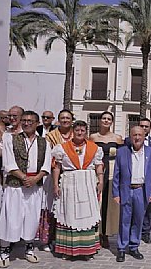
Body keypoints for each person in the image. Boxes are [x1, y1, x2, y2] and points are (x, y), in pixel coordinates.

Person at [0, 111, 51, 268]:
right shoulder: (10, 139)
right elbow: (9, 162)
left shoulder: (44, 142)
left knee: (31, 217)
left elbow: (46, 164)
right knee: (11, 216)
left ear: (37, 123)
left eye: (30, 121)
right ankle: (5, 250)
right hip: (16, 184)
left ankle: (29, 248)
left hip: (34, 185)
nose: (27, 123)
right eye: (24, 120)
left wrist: (36, 178)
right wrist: (24, 177)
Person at [52, 120, 103, 260]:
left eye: (82, 130)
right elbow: (57, 167)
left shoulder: (94, 148)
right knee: (69, 213)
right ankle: (67, 250)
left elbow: (99, 165)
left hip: (87, 182)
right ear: (73, 131)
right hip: (69, 183)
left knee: (87, 213)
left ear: (86, 132)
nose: (79, 133)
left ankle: (87, 250)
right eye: (77, 130)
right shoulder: (62, 148)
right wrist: (55, 185)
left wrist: (101, 181)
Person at [113, 125, 151, 262]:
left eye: (140, 135)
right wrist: (116, 193)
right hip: (126, 190)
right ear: (130, 136)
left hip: (141, 190)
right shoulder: (122, 152)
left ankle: (133, 246)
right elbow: (116, 174)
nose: (137, 137)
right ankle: (121, 248)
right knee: (124, 221)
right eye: (134, 135)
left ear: (144, 136)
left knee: (138, 220)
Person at [40, 109, 74, 251]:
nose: (65, 120)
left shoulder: (76, 134)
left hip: (71, 176)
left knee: (68, 207)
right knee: (51, 206)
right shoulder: (51, 136)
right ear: (58, 120)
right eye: (62, 118)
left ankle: (65, 240)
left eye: (68, 118)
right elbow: (46, 155)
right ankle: (49, 239)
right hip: (54, 173)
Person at [89, 111, 123, 249]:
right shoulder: (93, 137)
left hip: (112, 172)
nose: (106, 121)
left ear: (112, 122)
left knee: (109, 204)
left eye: (109, 119)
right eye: (104, 118)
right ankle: (96, 232)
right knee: (97, 202)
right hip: (97, 171)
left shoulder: (118, 138)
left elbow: (121, 157)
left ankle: (106, 233)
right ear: (100, 120)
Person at [138, 117, 151, 244]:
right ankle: (135, 232)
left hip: (148, 179)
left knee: (148, 208)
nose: (144, 128)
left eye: (146, 127)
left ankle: (146, 232)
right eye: (141, 126)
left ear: (150, 128)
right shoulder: (129, 141)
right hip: (134, 179)